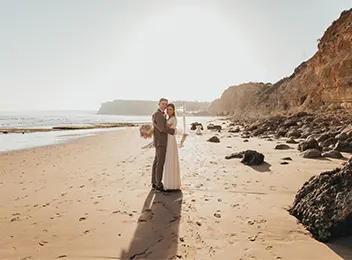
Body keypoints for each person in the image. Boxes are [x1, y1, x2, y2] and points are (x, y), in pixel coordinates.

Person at [151, 98, 175, 191]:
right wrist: (172, 131)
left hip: (159, 141)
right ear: (159, 104)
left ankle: (154, 182)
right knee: (159, 163)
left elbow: (160, 127)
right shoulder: (158, 114)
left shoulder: (160, 114)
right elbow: (162, 129)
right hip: (161, 142)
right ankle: (158, 184)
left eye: (166, 104)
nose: (164, 106)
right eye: (163, 104)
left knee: (156, 161)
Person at [162, 103, 181, 191]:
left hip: (171, 140)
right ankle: (170, 184)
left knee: (170, 159)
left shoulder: (172, 119)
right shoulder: (169, 118)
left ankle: (172, 185)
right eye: (168, 109)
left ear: (173, 110)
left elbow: (165, 129)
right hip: (169, 139)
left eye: (170, 109)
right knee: (169, 160)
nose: (169, 111)